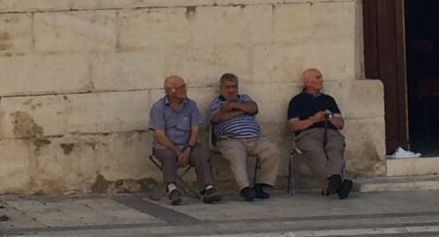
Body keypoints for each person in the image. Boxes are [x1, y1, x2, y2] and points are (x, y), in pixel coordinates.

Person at [148, 75, 222, 205]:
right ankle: (172, 188)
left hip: (187, 145)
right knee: (168, 155)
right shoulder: (158, 107)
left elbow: (195, 130)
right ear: (171, 91)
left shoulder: (191, 105)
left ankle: (208, 188)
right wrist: (177, 151)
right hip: (165, 146)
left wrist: (188, 149)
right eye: (182, 87)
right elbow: (159, 135)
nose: (185, 89)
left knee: (200, 155)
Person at [208, 72, 281, 202]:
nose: (231, 90)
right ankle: (245, 188)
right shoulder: (217, 102)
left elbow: (254, 108)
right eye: (227, 87)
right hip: (229, 139)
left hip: (255, 138)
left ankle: (261, 185)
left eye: (234, 87)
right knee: (236, 154)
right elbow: (216, 118)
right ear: (221, 88)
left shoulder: (245, 98)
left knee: (272, 151)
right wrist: (241, 111)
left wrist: (235, 107)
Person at [287, 68, 354, 199]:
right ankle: (337, 184)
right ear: (307, 82)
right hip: (307, 134)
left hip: (330, 131)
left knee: (336, 149)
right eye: (317, 78)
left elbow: (340, 124)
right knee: (317, 154)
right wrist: (314, 119)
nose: (321, 80)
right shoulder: (297, 101)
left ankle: (333, 185)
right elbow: (293, 126)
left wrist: (329, 117)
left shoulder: (329, 100)